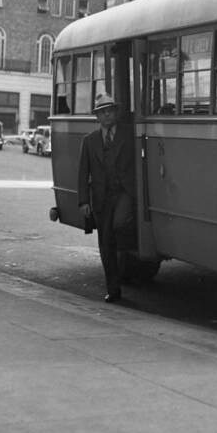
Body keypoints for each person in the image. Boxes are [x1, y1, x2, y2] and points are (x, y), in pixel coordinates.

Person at [77, 92, 136, 303]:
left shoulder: (128, 135)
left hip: (124, 192)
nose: (107, 115)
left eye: (110, 111)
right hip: (101, 198)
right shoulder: (90, 141)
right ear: (97, 117)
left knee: (120, 224)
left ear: (116, 113)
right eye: (102, 112)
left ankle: (128, 256)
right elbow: (83, 173)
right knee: (105, 245)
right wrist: (84, 201)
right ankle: (113, 289)